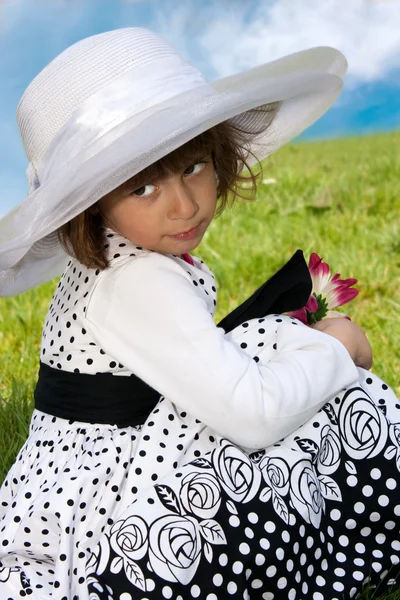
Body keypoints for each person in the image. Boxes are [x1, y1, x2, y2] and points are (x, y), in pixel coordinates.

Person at [0, 27, 398, 600]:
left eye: (192, 166)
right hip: (112, 505)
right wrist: (337, 347)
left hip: (97, 462)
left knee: (281, 357)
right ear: (89, 207)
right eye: (141, 187)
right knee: (325, 404)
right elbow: (254, 414)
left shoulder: (127, 254)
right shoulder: (138, 280)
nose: (184, 205)